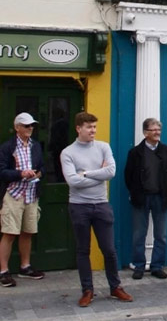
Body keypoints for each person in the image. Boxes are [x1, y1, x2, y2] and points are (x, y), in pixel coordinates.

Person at [61, 112, 133, 307]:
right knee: (83, 250)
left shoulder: (103, 147)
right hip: (79, 206)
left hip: (101, 205)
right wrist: (99, 176)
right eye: (89, 127)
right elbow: (72, 181)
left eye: (94, 127)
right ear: (78, 128)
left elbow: (111, 172)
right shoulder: (68, 152)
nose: (93, 130)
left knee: (109, 249)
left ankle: (115, 287)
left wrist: (85, 173)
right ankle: (87, 290)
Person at [0, 112, 46, 287]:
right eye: (26, 125)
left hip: (31, 194)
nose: (30, 128)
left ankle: (25, 266)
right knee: (9, 233)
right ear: (17, 128)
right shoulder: (7, 147)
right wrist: (21, 174)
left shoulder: (36, 146)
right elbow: (1, 172)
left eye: (32, 125)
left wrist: (38, 174)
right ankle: (4, 271)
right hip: (13, 194)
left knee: (28, 231)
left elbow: (43, 166)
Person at [124, 117, 167, 280]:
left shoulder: (166, 151)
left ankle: (157, 266)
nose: (157, 133)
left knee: (161, 235)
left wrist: (165, 188)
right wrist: (135, 192)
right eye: (153, 130)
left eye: (159, 129)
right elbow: (128, 176)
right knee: (139, 234)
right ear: (145, 132)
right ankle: (139, 266)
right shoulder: (135, 153)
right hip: (141, 197)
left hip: (161, 197)